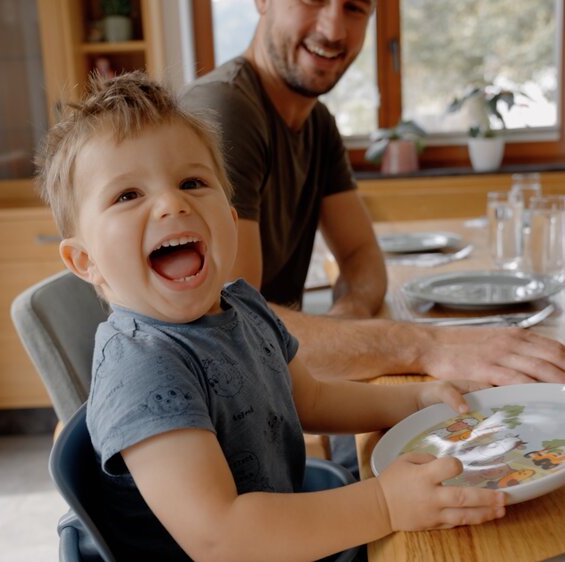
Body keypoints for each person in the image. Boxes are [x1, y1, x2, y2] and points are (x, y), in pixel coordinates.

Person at [36, 71, 506, 561]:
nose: (173, 203)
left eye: (193, 182)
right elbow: (221, 536)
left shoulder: (243, 305)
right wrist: (385, 503)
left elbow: (313, 399)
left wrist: (416, 400)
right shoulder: (142, 367)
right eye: (128, 195)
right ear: (84, 262)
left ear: (231, 219)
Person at [180, 0, 565, 386]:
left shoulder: (318, 123)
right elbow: (232, 322)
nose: (333, 30)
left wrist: (347, 322)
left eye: (354, 7)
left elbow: (360, 255)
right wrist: (429, 345)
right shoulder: (223, 111)